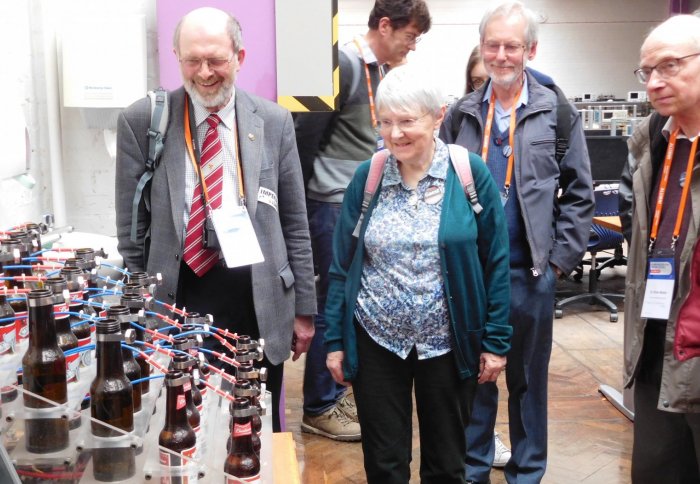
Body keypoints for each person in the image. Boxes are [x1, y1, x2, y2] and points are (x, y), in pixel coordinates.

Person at [115, 7, 316, 432]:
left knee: (254, 425)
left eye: (216, 60)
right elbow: (130, 234)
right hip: (179, 296)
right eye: (192, 60)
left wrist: (304, 310)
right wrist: (141, 307)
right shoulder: (144, 121)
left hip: (256, 296)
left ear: (240, 57)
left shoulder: (274, 121)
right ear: (176, 56)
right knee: (182, 424)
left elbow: (295, 222)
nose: (204, 72)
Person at [325, 64, 512, 484]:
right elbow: (341, 266)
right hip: (376, 340)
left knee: (446, 463)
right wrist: (335, 342)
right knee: (384, 463)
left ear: (438, 116)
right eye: (386, 122)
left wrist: (496, 343)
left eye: (407, 121)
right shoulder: (369, 176)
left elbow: (496, 263)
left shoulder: (468, 174)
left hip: (448, 341)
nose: (395, 134)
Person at [439, 2, 594, 482]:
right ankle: (474, 470)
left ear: (530, 49)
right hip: (472, 276)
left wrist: (558, 265)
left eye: (512, 46)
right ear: (481, 49)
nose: (501, 56)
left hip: (530, 275)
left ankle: (527, 473)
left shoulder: (556, 111)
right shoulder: (461, 115)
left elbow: (580, 193)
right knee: (474, 380)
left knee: (528, 383)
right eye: (493, 46)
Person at [293, 0, 431, 441]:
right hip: (330, 205)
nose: (411, 48)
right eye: (409, 37)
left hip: (359, 204)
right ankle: (316, 407)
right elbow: (306, 139)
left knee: (354, 298)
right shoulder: (343, 64)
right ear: (385, 26)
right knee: (331, 300)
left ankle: (335, 393)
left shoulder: (382, 75)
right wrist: (300, 205)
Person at [618, 14, 700, 483]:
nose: (654, 82)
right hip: (655, 341)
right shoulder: (653, 137)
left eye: (669, 66)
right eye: (647, 71)